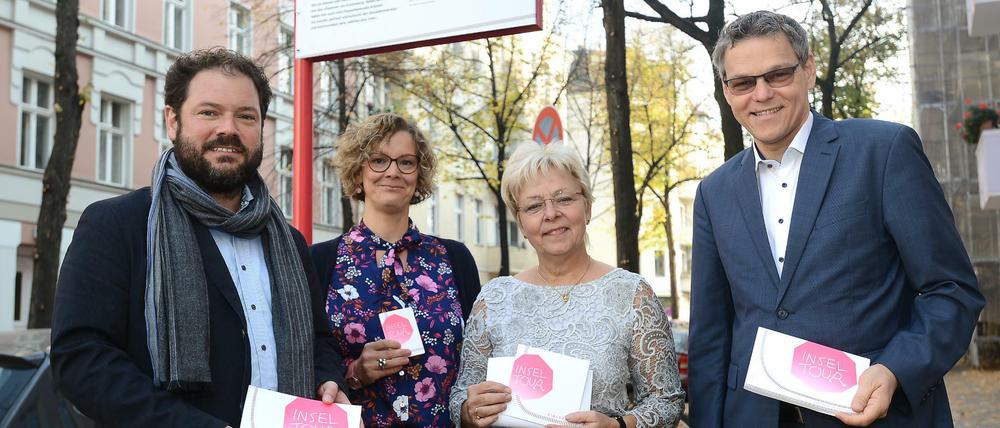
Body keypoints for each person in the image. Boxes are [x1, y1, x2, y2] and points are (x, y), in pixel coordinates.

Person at [689, 11, 985, 428]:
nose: (761, 94)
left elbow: (951, 290)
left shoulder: (883, 152)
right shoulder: (713, 192)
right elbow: (710, 336)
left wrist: (894, 369)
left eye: (777, 75)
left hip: (874, 413)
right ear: (726, 90)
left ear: (808, 70)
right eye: (743, 82)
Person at [50, 48, 347, 427]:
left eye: (246, 116)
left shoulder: (289, 240)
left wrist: (327, 378)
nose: (229, 129)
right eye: (209, 112)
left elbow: (320, 340)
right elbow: (81, 360)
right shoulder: (116, 225)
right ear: (172, 121)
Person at [448, 142, 685, 428]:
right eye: (534, 205)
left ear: (587, 206)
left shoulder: (632, 294)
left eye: (563, 199)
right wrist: (469, 411)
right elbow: (461, 395)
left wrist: (618, 426)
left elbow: (667, 401)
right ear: (521, 223)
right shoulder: (495, 299)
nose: (551, 213)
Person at [310, 113, 482, 427]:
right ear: (358, 171)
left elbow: (478, 358)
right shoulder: (321, 260)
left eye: (406, 162)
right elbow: (308, 358)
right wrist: (356, 372)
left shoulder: (454, 258)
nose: (392, 171)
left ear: (419, 175)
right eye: (378, 160)